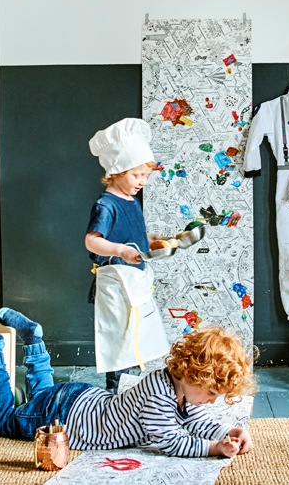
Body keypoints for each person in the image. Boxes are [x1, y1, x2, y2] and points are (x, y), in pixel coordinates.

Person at [0, 309, 256, 458]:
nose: (212, 401)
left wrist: (227, 431)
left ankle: (33, 339)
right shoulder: (158, 395)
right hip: (68, 419)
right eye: (212, 392)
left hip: (79, 400)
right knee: (4, 423)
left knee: (41, 396)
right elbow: (171, 441)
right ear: (194, 374)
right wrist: (215, 448)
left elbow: (199, 421)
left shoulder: (181, 390)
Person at [85, 118, 170, 392]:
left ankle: (131, 388)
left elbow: (132, 236)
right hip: (114, 281)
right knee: (118, 338)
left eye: (145, 176)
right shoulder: (105, 205)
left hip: (135, 279)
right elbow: (92, 241)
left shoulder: (131, 201)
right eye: (136, 175)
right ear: (116, 171)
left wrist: (152, 240)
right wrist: (121, 250)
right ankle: (115, 390)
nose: (142, 181)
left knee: (137, 334)